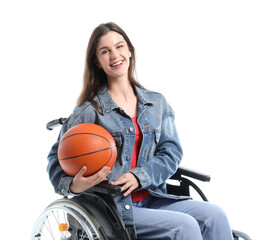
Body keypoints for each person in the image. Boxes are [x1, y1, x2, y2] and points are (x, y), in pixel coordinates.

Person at [47, 22, 234, 240]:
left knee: (215, 216)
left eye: (119, 47)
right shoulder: (90, 112)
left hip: (156, 197)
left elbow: (171, 152)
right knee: (184, 227)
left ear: (130, 51)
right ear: (97, 61)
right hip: (114, 209)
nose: (114, 55)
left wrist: (140, 177)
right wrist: (73, 185)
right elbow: (56, 157)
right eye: (105, 51)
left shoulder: (157, 103)